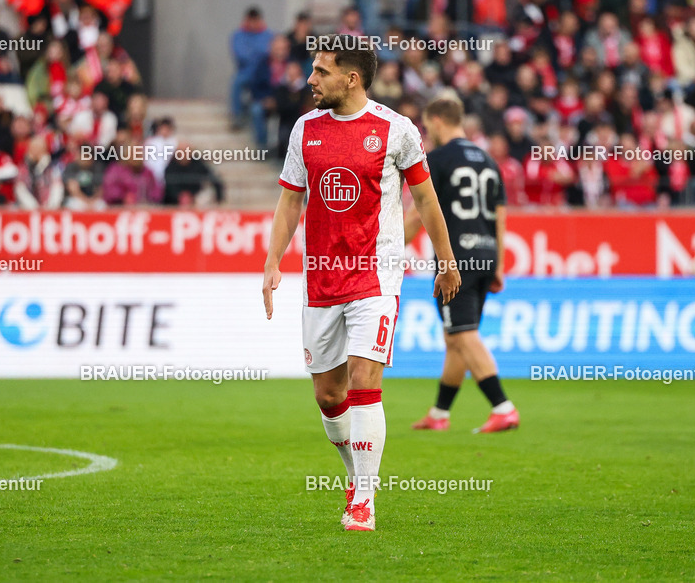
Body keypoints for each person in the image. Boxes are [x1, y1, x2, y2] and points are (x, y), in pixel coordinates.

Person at [262, 35, 461, 532]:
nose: (310, 80)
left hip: (376, 276)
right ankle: (356, 477)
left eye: (321, 72)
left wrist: (447, 259)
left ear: (351, 79)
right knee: (330, 397)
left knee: (365, 381)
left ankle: (364, 501)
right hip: (321, 281)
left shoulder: (397, 130)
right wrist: (272, 261)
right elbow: (291, 201)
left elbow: (427, 200)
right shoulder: (305, 129)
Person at [405, 96, 518, 433]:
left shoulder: (437, 159)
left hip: (458, 260)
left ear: (438, 120)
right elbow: (500, 215)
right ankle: (440, 414)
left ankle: (503, 407)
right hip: (486, 255)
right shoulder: (487, 160)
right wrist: (498, 263)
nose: (427, 133)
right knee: (455, 335)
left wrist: (388, 247)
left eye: (427, 126)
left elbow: (418, 211)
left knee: (463, 334)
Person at [161, 142, 225, 206]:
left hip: (196, 197)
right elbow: (168, 185)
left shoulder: (198, 163)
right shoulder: (171, 165)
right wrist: (179, 196)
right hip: (175, 199)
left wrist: (219, 197)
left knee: (206, 195)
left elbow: (213, 178)